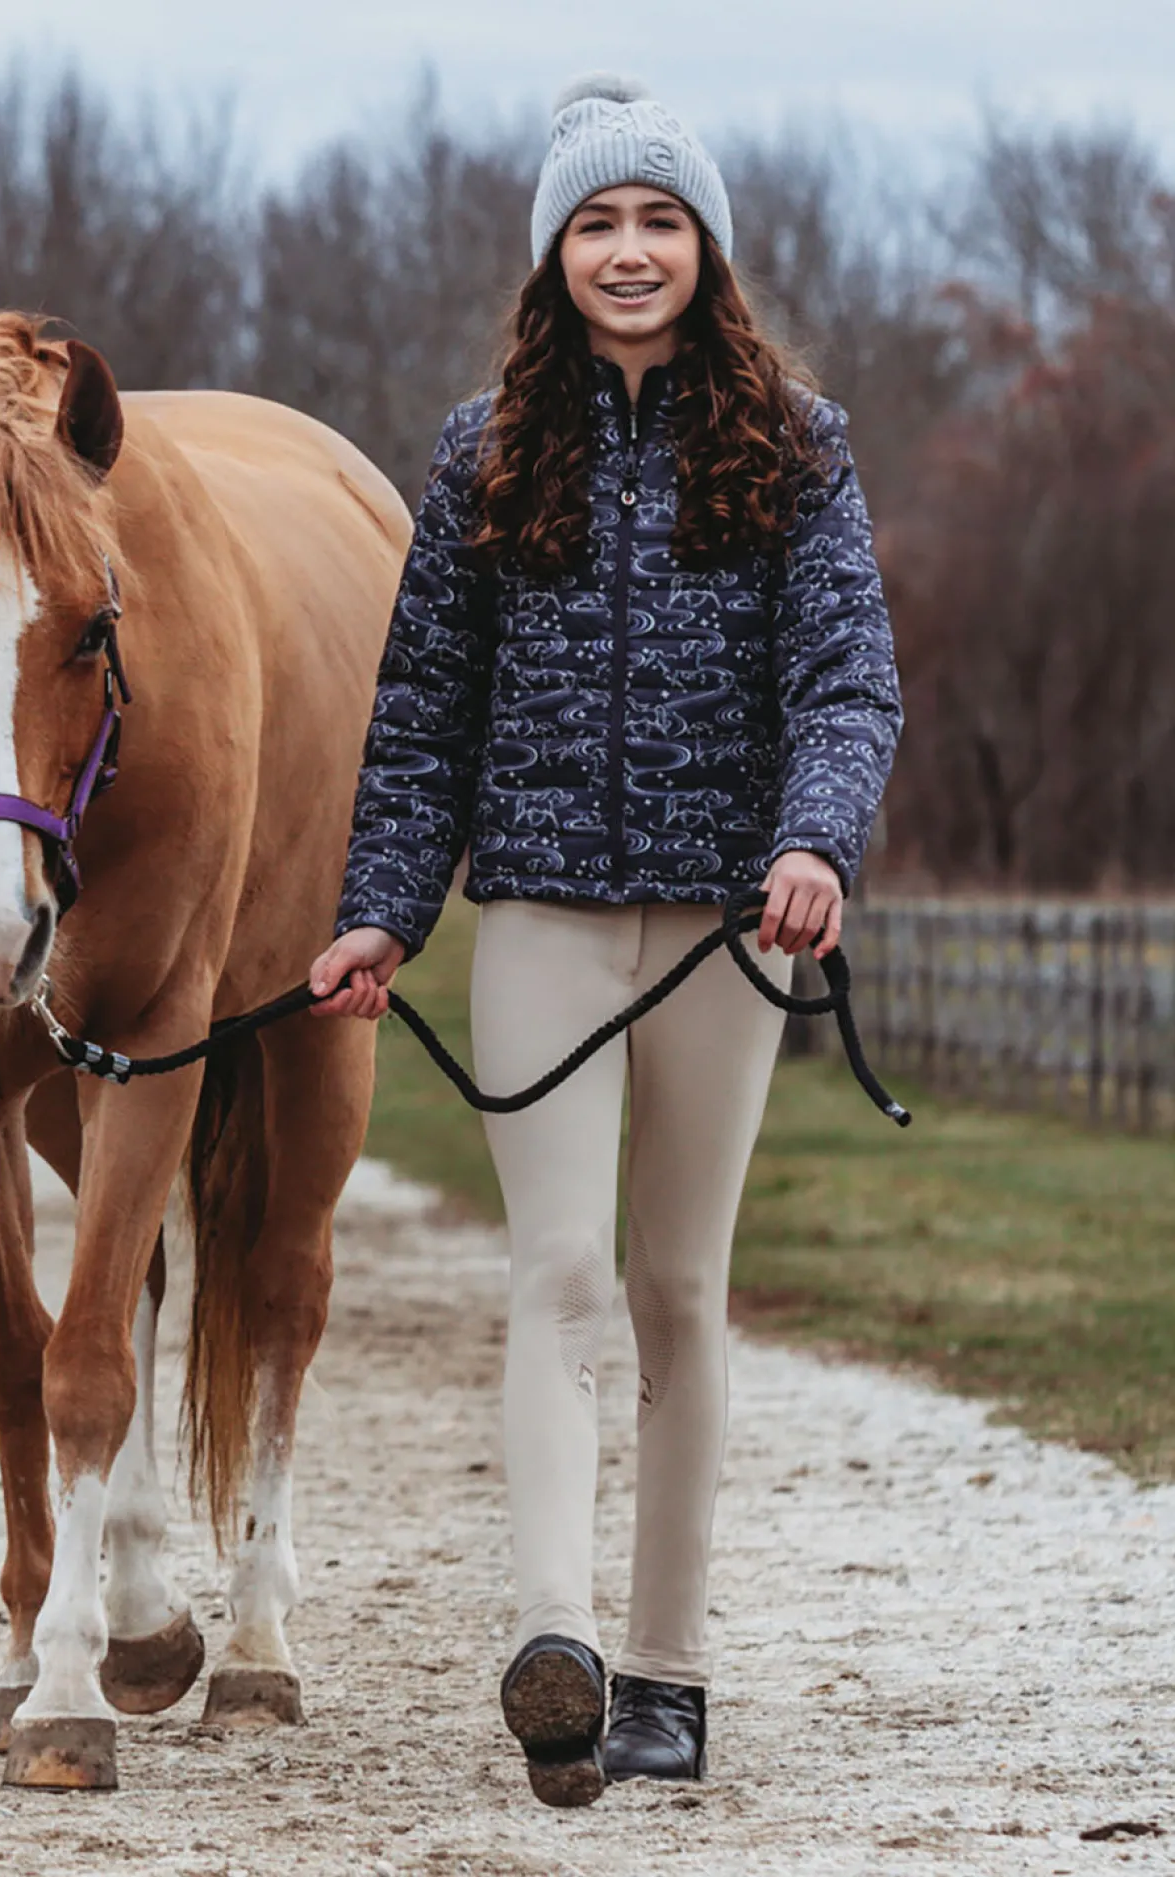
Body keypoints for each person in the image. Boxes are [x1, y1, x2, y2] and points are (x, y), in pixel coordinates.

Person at [308, 73, 903, 1808]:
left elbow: (848, 680)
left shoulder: (798, 445)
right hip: (545, 916)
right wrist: (381, 910)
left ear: (703, 246)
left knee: (676, 1289)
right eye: (595, 223)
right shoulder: (483, 454)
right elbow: (423, 709)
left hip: (731, 925)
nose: (627, 251)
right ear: (551, 255)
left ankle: (668, 1670)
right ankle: (554, 1641)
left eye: (657, 220)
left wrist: (814, 839)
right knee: (559, 1269)